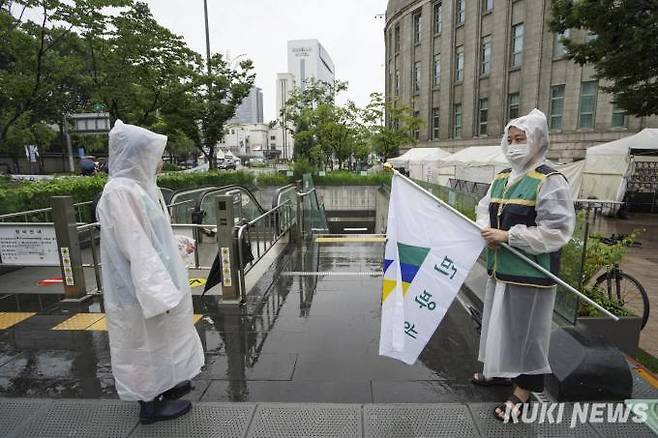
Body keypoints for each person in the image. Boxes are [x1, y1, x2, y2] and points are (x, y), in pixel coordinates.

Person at [96, 120, 204, 424]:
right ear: (136, 155)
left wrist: (178, 246)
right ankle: (149, 406)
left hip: (151, 285)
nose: (159, 162)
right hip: (139, 290)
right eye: (155, 155)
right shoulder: (121, 192)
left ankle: (166, 386)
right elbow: (136, 246)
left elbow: (154, 239)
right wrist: (158, 292)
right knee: (142, 345)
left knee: (160, 340)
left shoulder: (139, 189)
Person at [472, 109, 575, 422]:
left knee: (528, 334)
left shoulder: (550, 181)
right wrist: (485, 228)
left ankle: (523, 391)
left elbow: (557, 232)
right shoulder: (503, 178)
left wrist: (508, 236)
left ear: (538, 141)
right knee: (498, 324)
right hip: (500, 270)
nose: (515, 145)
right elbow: (483, 208)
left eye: (521, 139)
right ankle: (500, 370)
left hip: (531, 276)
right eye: (511, 139)